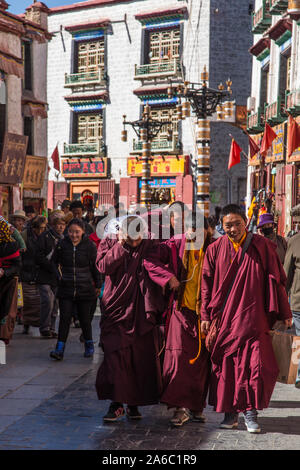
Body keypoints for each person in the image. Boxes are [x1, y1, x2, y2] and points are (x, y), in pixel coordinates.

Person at [200, 204, 292, 433]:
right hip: (225, 321)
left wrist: (285, 312)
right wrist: (204, 315)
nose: (233, 229)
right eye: (228, 225)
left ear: (246, 223)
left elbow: (276, 280)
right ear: (221, 227)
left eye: (237, 224)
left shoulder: (262, 246)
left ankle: (251, 414)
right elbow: (206, 285)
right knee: (227, 367)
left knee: (255, 368)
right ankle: (230, 414)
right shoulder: (214, 249)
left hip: (254, 318)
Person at [144, 211, 212, 427]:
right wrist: (168, 277)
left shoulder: (214, 248)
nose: (195, 237)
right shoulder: (174, 244)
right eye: (192, 232)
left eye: (200, 232)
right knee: (178, 361)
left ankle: (196, 407)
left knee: (201, 363)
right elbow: (150, 260)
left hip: (204, 314)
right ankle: (180, 408)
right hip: (181, 311)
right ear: (186, 230)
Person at [95, 215, 163, 422]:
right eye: (130, 238)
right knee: (115, 357)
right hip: (116, 310)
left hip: (140, 310)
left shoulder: (150, 244)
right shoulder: (110, 242)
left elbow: (160, 263)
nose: (135, 242)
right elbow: (102, 267)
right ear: (122, 233)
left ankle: (133, 403)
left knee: (138, 359)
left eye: (138, 238)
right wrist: (121, 247)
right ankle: (116, 404)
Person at [50, 218, 102, 360]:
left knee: (85, 320)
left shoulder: (90, 246)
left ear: (83, 232)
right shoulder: (62, 244)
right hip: (66, 288)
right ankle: (59, 349)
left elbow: (95, 267)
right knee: (64, 319)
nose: (74, 235)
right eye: (71, 232)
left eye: (77, 232)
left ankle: (89, 345)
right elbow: (53, 263)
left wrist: (98, 284)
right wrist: (58, 277)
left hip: (85, 288)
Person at [35, 216, 66, 338]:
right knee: (48, 300)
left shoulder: (65, 239)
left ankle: (52, 328)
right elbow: (38, 256)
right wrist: (51, 266)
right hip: (44, 275)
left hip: (58, 276)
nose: (61, 227)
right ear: (53, 225)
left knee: (56, 303)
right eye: (58, 224)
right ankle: (44, 327)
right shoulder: (45, 237)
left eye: (63, 224)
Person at [21, 216, 47, 335]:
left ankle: (39, 324)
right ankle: (26, 323)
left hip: (40, 271)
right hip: (26, 270)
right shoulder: (25, 235)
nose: (41, 231)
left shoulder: (45, 236)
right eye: (39, 228)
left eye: (43, 228)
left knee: (38, 300)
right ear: (34, 228)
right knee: (28, 300)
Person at [0, 218, 21, 344]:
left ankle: (4, 335)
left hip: (9, 281)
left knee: (8, 310)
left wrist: (4, 272)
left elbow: (17, 265)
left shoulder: (12, 245)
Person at [283, 231, 300, 388]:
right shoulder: (294, 242)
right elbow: (286, 274)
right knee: (299, 338)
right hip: (298, 300)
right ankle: (298, 375)